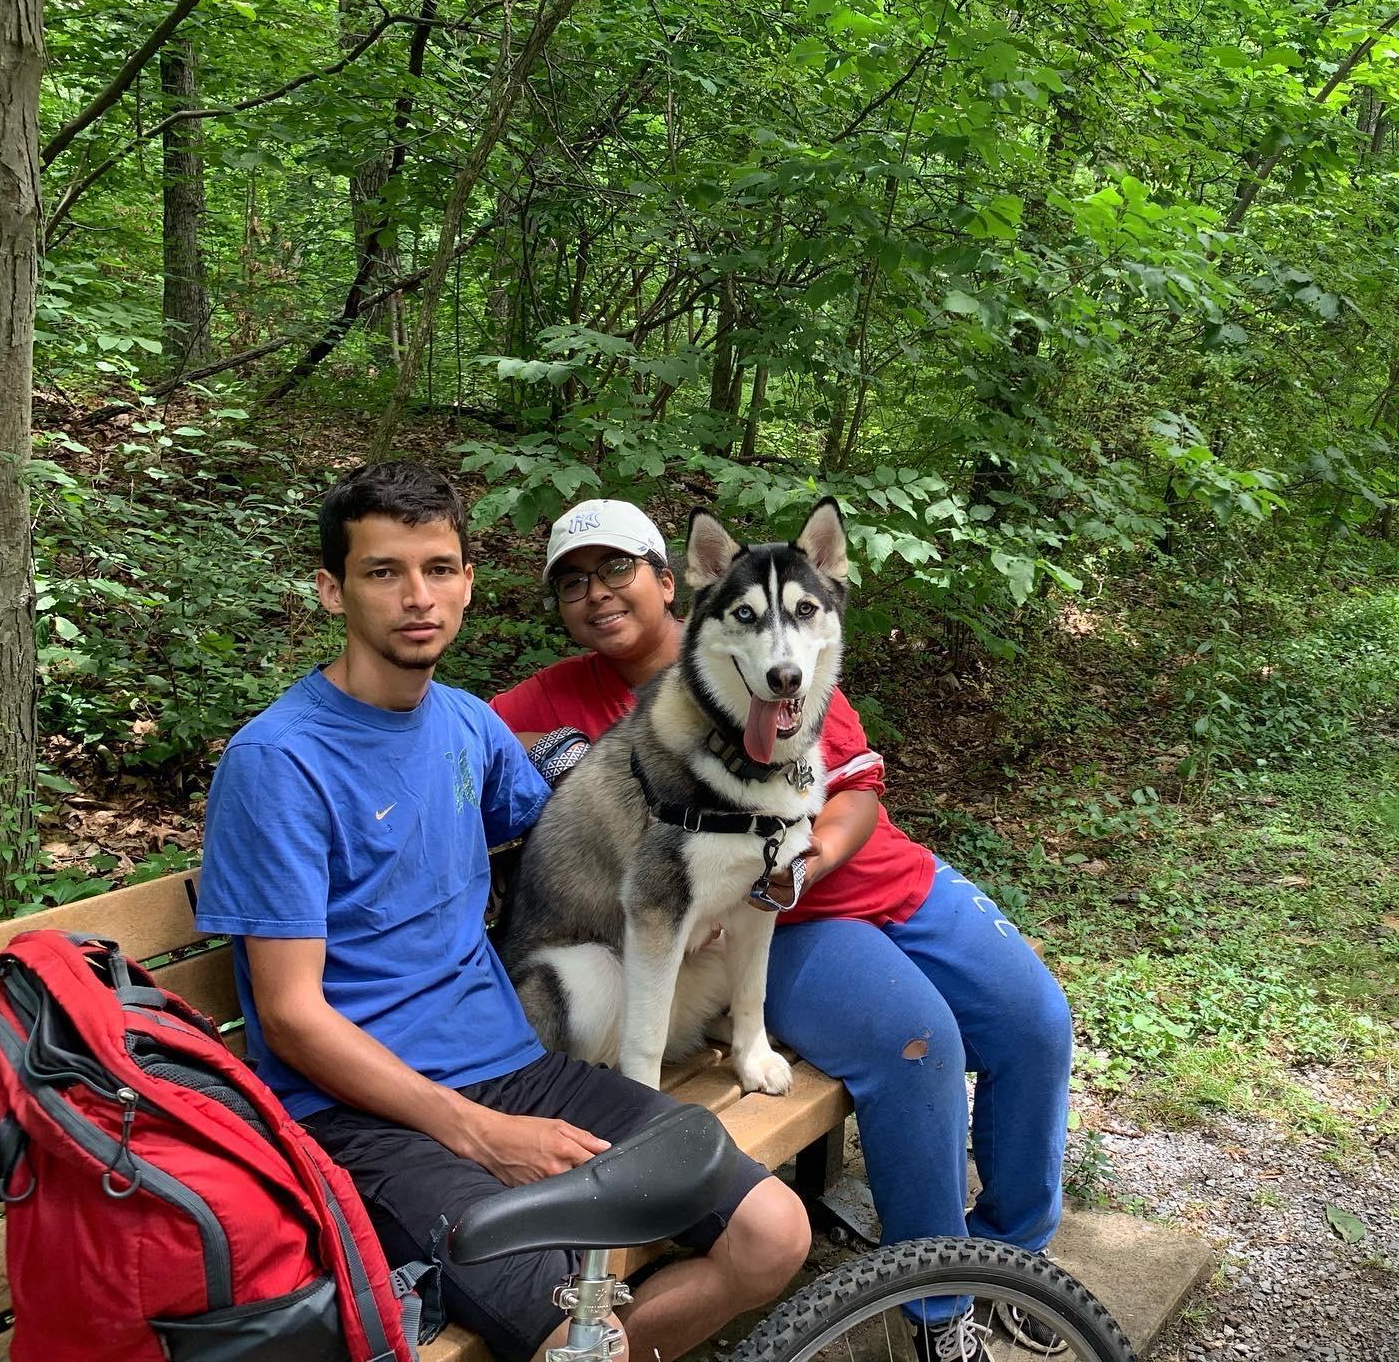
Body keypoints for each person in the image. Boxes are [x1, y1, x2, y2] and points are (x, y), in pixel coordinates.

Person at [196, 465, 809, 1362]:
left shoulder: (467, 727)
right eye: (383, 571)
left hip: (520, 1064)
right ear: (332, 589)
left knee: (774, 1234)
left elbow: (580, 833)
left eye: (440, 569)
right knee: (571, 1323)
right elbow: (290, 1016)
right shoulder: (279, 764)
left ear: (468, 583)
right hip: (368, 1118)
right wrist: (476, 1131)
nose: (418, 597)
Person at [493, 499, 1075, 1362]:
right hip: (783, 928)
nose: (599, 595)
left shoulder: (783, 644)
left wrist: (803, 862)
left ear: (670, 583)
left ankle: (1012, 1258)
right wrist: (551, 751)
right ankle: (938, 1302)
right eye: (573, 582)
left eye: (619, 571)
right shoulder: (561, 693)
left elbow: (859, 788)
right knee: (920, 1047)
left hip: (864, 880)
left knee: (1037, 1024)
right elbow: (453, 737)